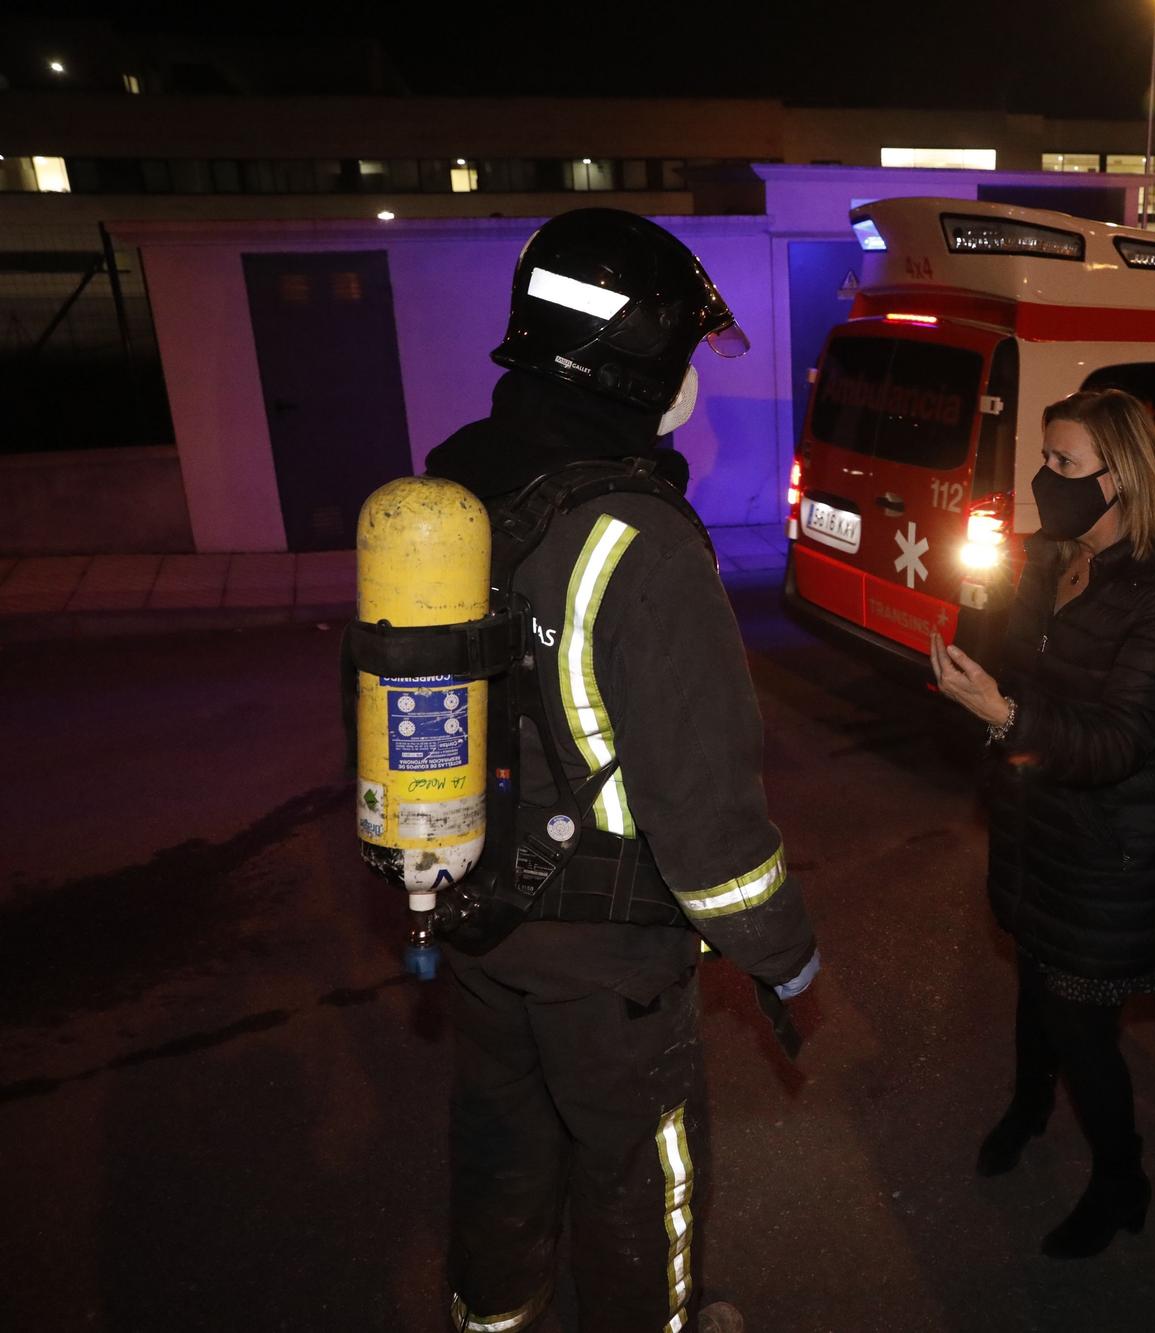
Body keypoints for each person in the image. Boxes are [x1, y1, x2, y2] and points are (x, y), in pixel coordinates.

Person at [423, 208, 819, 1333]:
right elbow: (702, 808)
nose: (691, 378)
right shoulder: (640, 534)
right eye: (685, 352)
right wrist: (781, 951)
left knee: (500, 1142)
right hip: (605, 956)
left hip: (473, 907)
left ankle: (490, 1321)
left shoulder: (456, 480)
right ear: (638, 355)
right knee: (636, 1176)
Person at [929, 388, 1155, 1260]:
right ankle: (1027, 1109)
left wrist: (1005, 714)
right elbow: (1020, 668)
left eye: (1063, 463)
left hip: (1112, 849)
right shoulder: (1048, 557)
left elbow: (1120, 741)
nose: (1042, 477)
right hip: (1038, 822)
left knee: (1082, 1025)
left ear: (1122, 477)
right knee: (1034, 982)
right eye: (1043, 458)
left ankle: (1121, 1179)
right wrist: (978, 658)